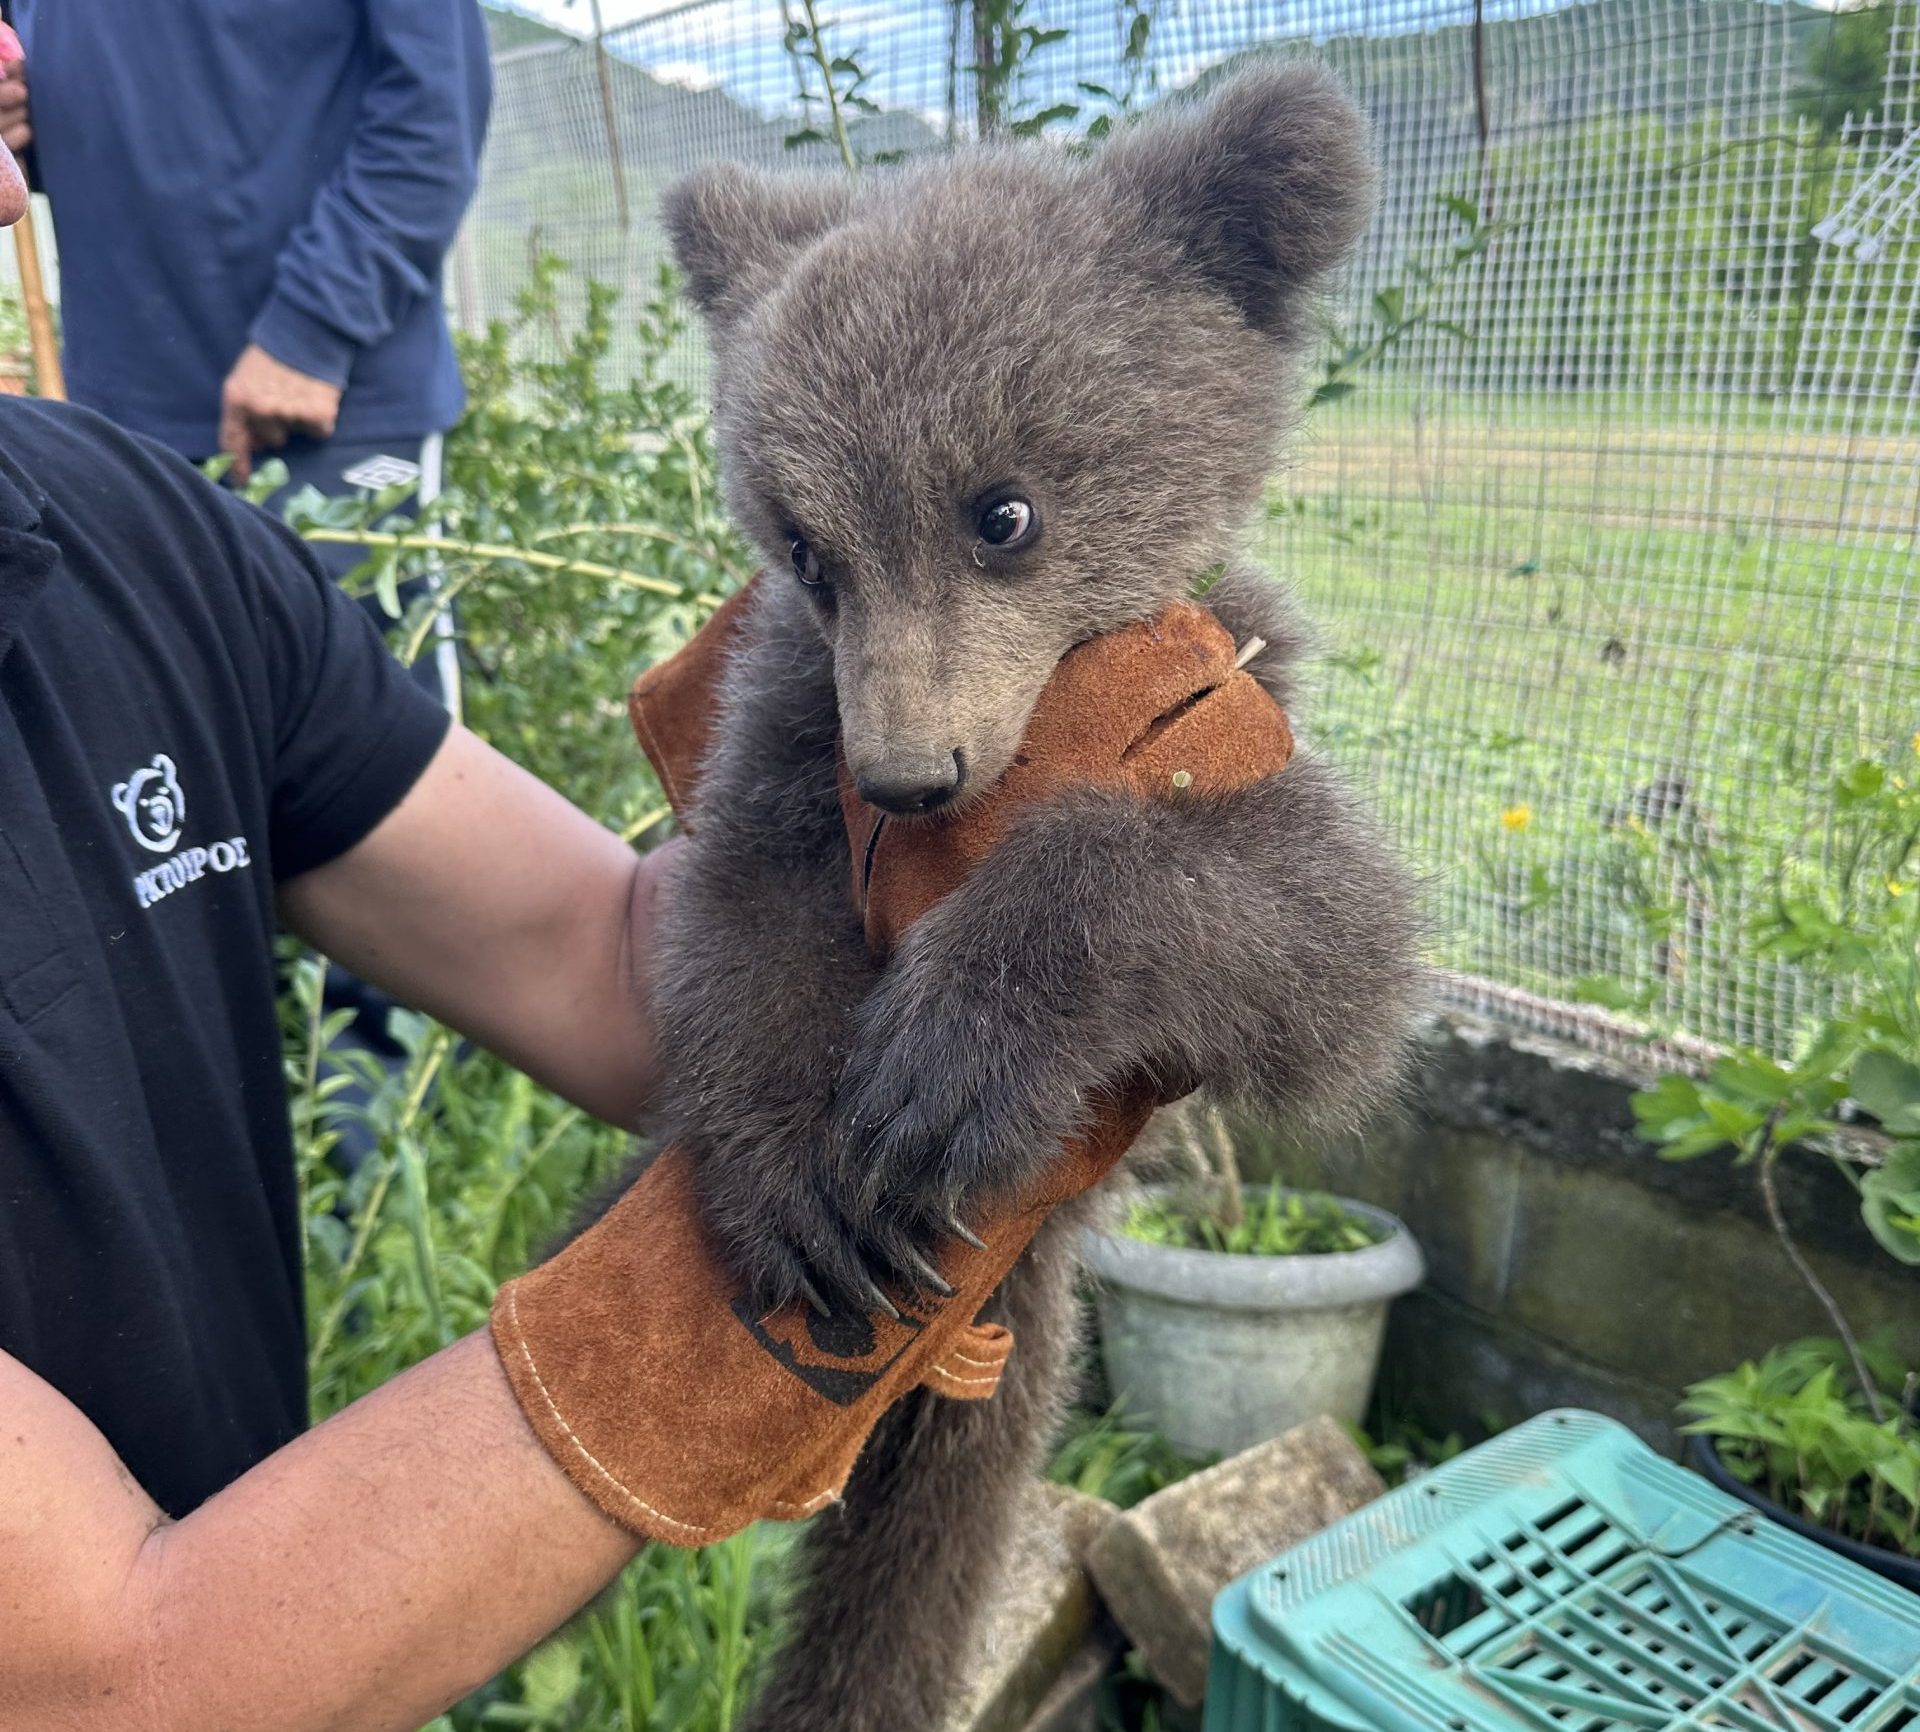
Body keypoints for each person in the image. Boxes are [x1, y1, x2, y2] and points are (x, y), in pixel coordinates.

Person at [0, 132, 685, 1732]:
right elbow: (117, 1674)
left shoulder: (124, 538)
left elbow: (607, 961)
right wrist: (782, 1293)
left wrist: (876, 645)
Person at [0, 0, 488, 707]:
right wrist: (25, 130)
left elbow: (435, 109)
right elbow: (128, 112)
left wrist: (313, 329)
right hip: (120, 422)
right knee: (173, 741)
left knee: (368, 744)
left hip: (325, 405)